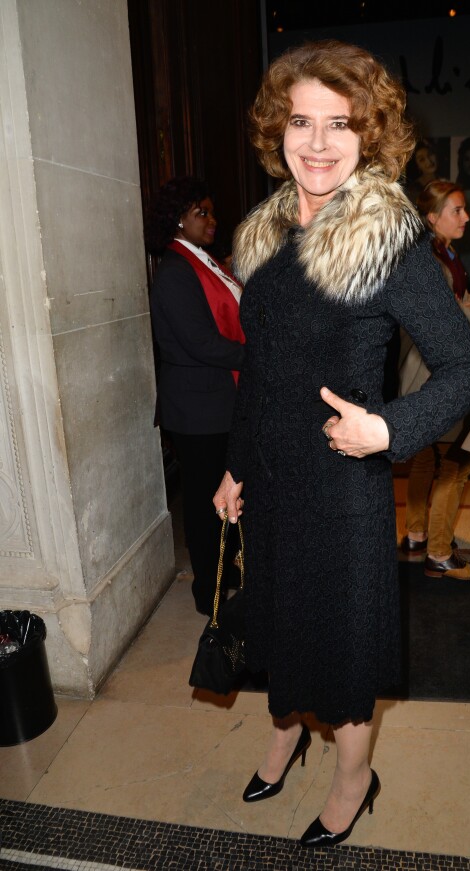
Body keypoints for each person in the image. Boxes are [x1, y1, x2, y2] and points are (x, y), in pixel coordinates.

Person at [213, 40, 470, 847]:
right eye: (302, 120)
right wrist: (234, 468)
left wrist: (389, 429)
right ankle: (285, 730)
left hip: (341, 490)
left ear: (370, 135)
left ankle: (354, 775)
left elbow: (468, 369)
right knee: (277, 619)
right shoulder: (262, 241)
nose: (319, 142)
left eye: (341, 123)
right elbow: (256, 372)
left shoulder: (388, 243)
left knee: (340, 649)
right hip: (271, 479)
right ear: (278, 129)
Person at [145, 177, 245, 616]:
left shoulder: (204, 262)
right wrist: (260, 354)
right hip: (197, 409)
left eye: (211, 211)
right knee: (207, 509)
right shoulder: (174, 270)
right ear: (177, 218)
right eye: (200, 212)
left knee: (228, 501)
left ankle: (231, 575)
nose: (211, 219)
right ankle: (210, 593)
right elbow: (199, 343)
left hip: (219, 401)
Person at [399, 181, 470, 580]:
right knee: (456, 463)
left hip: (423, 374)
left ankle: (418, 533)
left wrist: (465, 306)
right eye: (456, 210)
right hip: (437, 375)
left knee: (425, 457)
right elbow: (459, 319)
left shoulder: (443, 254)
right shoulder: (430, 261)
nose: (466, 217)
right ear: (432, 217)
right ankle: (438, 551)